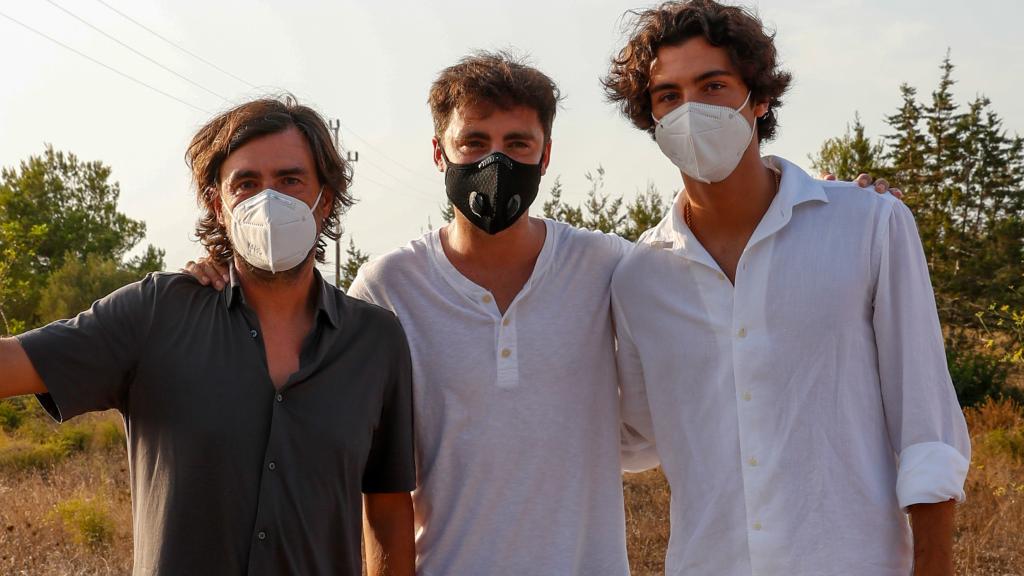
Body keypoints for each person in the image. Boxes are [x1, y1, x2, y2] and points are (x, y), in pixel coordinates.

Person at [186, 53, 896, 574]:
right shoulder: (388, 286)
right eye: (474, 143)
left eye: (517, 145)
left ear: (546, 154)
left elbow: (726, 289)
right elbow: (371, 473)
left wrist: (825, 210)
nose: (494, 161)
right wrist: (221, 274)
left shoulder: (614, 267)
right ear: (440, 152)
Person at [604, 2, 971, 575]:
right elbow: (639, 441)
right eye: (668, 96)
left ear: (760, 98)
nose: (691, 110)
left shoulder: (868, 225)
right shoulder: (638, 278)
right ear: (649, 119)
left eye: (714, 85)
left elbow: (927, 426)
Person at [0, 97, 416, 576]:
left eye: (290, 180)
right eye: (246, 183)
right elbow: (13, 365)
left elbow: (386, 507)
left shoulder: (375, 340)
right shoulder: (158, 313)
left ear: (325, 199)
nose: (269, 200)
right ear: (218, 204)